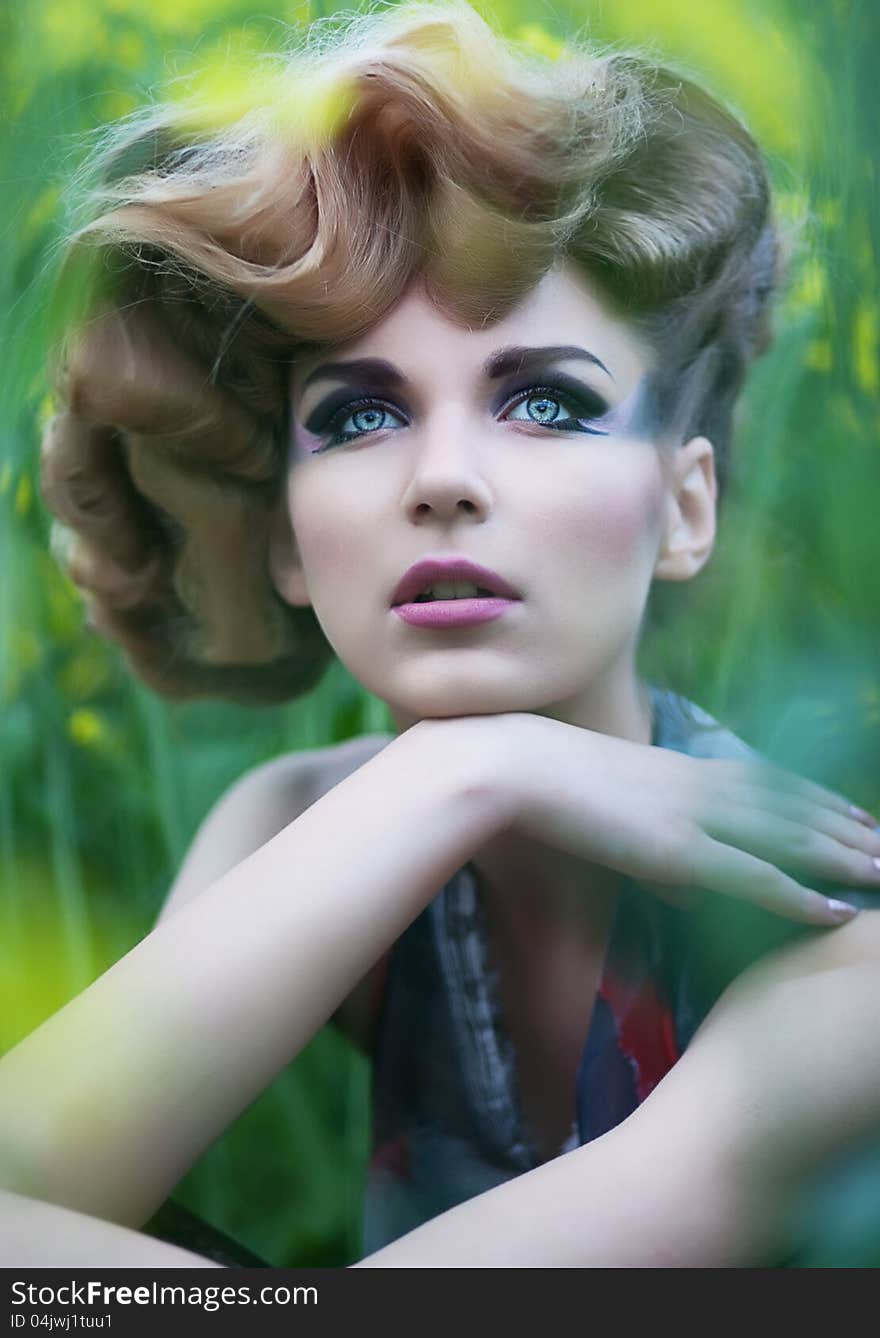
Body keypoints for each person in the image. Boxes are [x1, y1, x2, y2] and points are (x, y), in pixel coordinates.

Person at [2, 0, 879, 1267]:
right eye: (359, 419)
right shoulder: (293, 816)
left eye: (545, 402)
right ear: (289, 545)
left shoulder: (836, 933)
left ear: (685, 508)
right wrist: (471, 766)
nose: (442, 478)